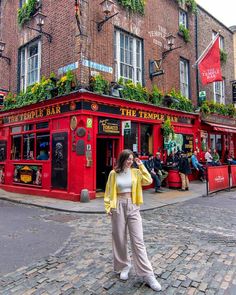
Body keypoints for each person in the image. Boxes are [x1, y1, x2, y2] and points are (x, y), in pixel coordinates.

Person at [104, 149, 162, 292]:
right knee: (119, 238)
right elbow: (108, 192)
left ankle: (148, 274)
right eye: (128, 159)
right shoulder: (113, 174)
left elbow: (148, 180)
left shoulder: (136, 172)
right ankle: (123, 266)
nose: (130, 161)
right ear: (122, 159)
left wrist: (141, 165)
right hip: (118, 206)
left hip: (133, 205)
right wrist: (108, 207)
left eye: (132, 159)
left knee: (138, 240)